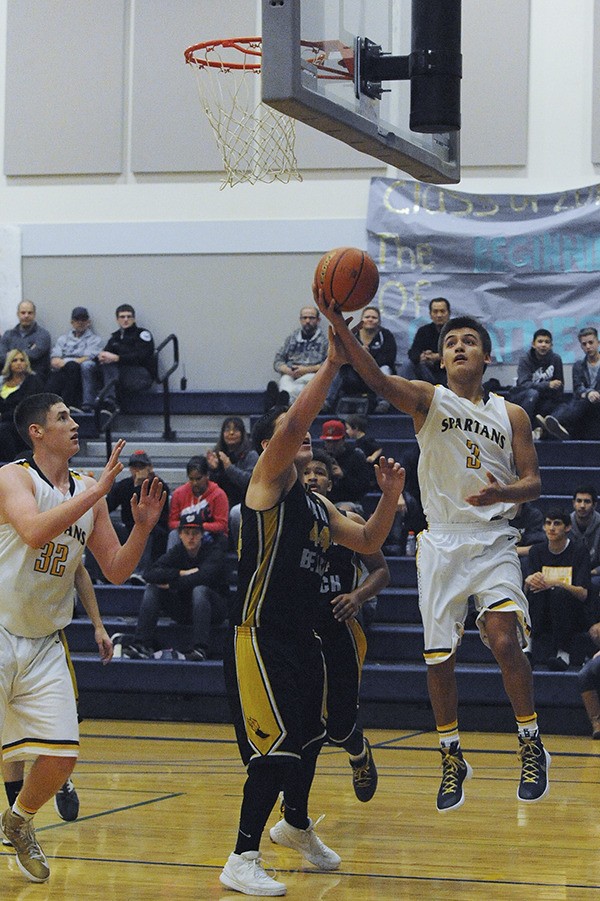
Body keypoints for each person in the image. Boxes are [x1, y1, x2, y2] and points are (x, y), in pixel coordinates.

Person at [316, 296, 551, 811]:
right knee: (440, 656)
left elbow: (533, 483)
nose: (459, 346)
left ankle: (531, 742)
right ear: (440, 359)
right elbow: (377, 381)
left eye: (469, 341)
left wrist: (502, 494)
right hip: (442, 540)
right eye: (451, 343)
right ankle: (451, 755)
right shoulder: (428, 398)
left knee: (503, 639)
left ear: (486, 358)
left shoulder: (511, 413)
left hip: (492, 540)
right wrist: (340, 329)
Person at [220, 327, 404, 896]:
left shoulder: (320, 505)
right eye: (289, 433)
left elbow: (372, 535)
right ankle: (241, 857)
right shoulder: (267, 482)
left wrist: (392, 492)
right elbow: (296, 422)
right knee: (275, 748)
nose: (300, 441)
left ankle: (294, 825)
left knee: (310, 735)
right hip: (260, 635)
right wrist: (330, 365)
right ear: (274, 442)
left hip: (302, 638)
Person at [0, 392, 165, 883]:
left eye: (72, 415)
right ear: (37, 431)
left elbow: (115, 569)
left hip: (46, 639)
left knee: (63, 755)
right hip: (0, 626)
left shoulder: (87, 487)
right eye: (62, 417)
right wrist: (98, 493)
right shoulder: (14, 477)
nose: (74, 423)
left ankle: (18, 820)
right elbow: (32, 531)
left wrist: (142, 529)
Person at [303, 449, 389, 801]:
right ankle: (292, 800)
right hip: (299, 629)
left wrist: (357, 596)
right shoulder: (283, 520)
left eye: (319, 472)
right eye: (306, 471)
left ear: (331, 479)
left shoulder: (347, 519)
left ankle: (359, 754)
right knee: (301, 722)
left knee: (339, 726)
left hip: (339, 629)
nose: (311, 477)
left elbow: (382, 571)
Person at [2, 562, 113, 831]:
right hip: (6, 633)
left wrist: (98, 625)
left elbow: (80, 571)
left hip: (45, 636)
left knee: (65, 724)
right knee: (9, 734)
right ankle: (18, 822)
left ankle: (57, 776)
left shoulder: (60, 530)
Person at [123, 511, 229, 661]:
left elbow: (204, 577)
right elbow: (149, 574)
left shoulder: (213, 551)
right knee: (153, 588)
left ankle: (200, 648)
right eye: (186, 532)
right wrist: (181, 572)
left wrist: (173, 584)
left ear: (202, 534)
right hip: (184, 610)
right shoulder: (177, 552)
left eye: (195, 533)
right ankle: (141, 643)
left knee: (200, 590)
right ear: (180, 535)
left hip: (214, 611)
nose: (191, 537)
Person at [526, 510, 592, 671]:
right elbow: (527, 587)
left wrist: (557, 583)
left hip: (571, 612)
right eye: (548, 523)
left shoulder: (579, 551)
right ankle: (527, 649)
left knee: (558, 593)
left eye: (557, 523)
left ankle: (563, 653)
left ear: (568, 527)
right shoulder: (536, 551)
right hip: (542, 610)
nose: (551, 528)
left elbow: (583, 594)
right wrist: (528, 581)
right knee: (534, 591)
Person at [104, 450, 170, 584]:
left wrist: (139, 486)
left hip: (154, 528)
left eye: (141, 467)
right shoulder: (124, 485)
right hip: (128, 528)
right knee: (99, 526)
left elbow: (162, 518)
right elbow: (106, 507)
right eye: (134, 467)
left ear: (149, 468)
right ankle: (100, 574)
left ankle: (139, 574)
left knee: (145, 531)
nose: (137, 471)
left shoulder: (159, 486)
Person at [324, 306, 397, 413]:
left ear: (379, 321)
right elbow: (343, 356)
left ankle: (383, 402)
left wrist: (367, 357)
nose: (370, 319)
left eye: (374, 317)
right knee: (339, 370)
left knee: (385, 369)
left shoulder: (386, 335)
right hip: (354, 372)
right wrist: (358, 361)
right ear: (362, 319)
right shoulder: (352, 335)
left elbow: (389, 358)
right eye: (367, 317)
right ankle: (327, 402)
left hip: (375, 371)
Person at [537, 326, 600, 439]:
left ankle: (548, 426)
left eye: (591, 343)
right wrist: (588, 393)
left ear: (598, 343)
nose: (588, 347)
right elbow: (577, 388)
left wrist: (593, 394)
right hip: (584, 402)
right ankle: (554, 425)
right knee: (571, 403)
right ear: (581, 346)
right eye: (584, 344)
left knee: (582, 402)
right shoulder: (578, 366)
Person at [206, 416, 258, 545]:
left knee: (235, 513)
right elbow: (211, 487)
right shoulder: (217, 454)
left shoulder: (251, 455)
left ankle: (239, 549)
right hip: (221, 503)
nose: (231, 433)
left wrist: (229, 467)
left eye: (236, 430)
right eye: (227, 429)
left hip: (245, 502)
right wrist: (213, 470)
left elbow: (250, 482)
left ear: (242, 433)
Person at [95, 304, 155, 413]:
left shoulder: (142, 334)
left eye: (129, 317)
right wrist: (101, 357)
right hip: (120, 375)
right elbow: (107, 353)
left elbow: (143, 356)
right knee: (94, 366)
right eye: (122, 317)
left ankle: (109, 401)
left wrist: (117, 358)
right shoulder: (115, 337)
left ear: (134, 319)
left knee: (110, 365)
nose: (126, 320)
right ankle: (95, 404)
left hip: (140, 375)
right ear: (117, 320)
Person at [45, 307, 104, 413]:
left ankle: (69, 405)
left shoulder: (95, 340)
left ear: (88, 322)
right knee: (52, 378)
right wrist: (63, 363)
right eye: (77, 320)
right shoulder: (63, 339)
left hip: (80, 369)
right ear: (72, 322)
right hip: (63, 369)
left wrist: (66, 362)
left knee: (75, 366)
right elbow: (54, 359)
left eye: (83, 320)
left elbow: (88, 357)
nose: (80, 322)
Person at [268, 305, 328, 406]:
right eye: (304, 318)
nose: (307, 321)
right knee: (285, 380)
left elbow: (328, 365)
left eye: (311, 318)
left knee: (304, 385)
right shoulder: (291, 339)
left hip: (312, 376)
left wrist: (306, 370)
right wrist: (288, 370)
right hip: (291, 375)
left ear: (318, 320)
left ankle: (281, 403)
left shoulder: (325, 342)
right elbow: (277, 362)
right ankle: (284, 400)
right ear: (300, 320)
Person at [509, 328, 564, 433]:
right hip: (524, 397)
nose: (543, 345)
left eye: (547, 342)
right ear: (533, 344)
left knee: (564, 406)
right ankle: (523, 431)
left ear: (551, 346)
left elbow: (559, 386)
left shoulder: (556, 359)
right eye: (540, 341)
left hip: (544, 399)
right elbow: (524, 384)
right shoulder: (525, 359)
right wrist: (547, 385)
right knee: (533, 393)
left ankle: (546, 429)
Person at [168, 454, 229, 547]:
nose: (195, 483)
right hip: (185, 534)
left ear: (207, 475)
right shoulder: (178, 494)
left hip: (211, 535)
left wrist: (198, 526)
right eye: (191, 479)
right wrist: (189, 527)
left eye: (198, 479)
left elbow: (222, 525)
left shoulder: (219, 494)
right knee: (173, 535)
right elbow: (172, 522)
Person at [0, 350, 44, 462]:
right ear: (9, 364)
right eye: (15, 360)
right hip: (4, 420)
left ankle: (14, 464)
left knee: (3, 429)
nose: (19, 363)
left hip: (22, 422)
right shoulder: (2, 382)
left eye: (22, 360)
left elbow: (26, 406)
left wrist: (2, 416)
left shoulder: (33, 381)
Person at [319, 419, 372, 505]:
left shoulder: (356, 456)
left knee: (345, 509)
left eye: (335, 441)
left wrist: (343, 476)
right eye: (328, 442)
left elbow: (363, 488)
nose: (331, 445)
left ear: (343, 439)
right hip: (324, 501)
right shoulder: (320, 457)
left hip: (348, 501)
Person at [403, 297, 451, 385]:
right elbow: (413, 351)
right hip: (428, 373)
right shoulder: (423, 331)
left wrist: (438, 357)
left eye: (442, 311)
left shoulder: (455, 330)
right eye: (435, 312)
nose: (439, 315)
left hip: (448, 373)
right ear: (430, 314)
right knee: (408, 364)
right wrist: (422, 356)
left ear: (448, 313)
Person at [0, 300, 52, 381]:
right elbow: (1, 356)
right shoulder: (8, 334)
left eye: (30, 313)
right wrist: (27, 351)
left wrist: (11, 355)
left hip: (35, 377)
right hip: (10, 377)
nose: (26, 316)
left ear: (34, 315)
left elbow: (33, 355)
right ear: (18, 314)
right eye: (23, 313)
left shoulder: (43, 335)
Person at [569, 485, 600, 592]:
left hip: (594, 573)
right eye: (579, 501)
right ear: (573, 503)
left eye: (587, 501)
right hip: (569, 572)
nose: (582, 505)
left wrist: (592, 572)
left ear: (594, 505)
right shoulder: (564, 524)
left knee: (594, 582)